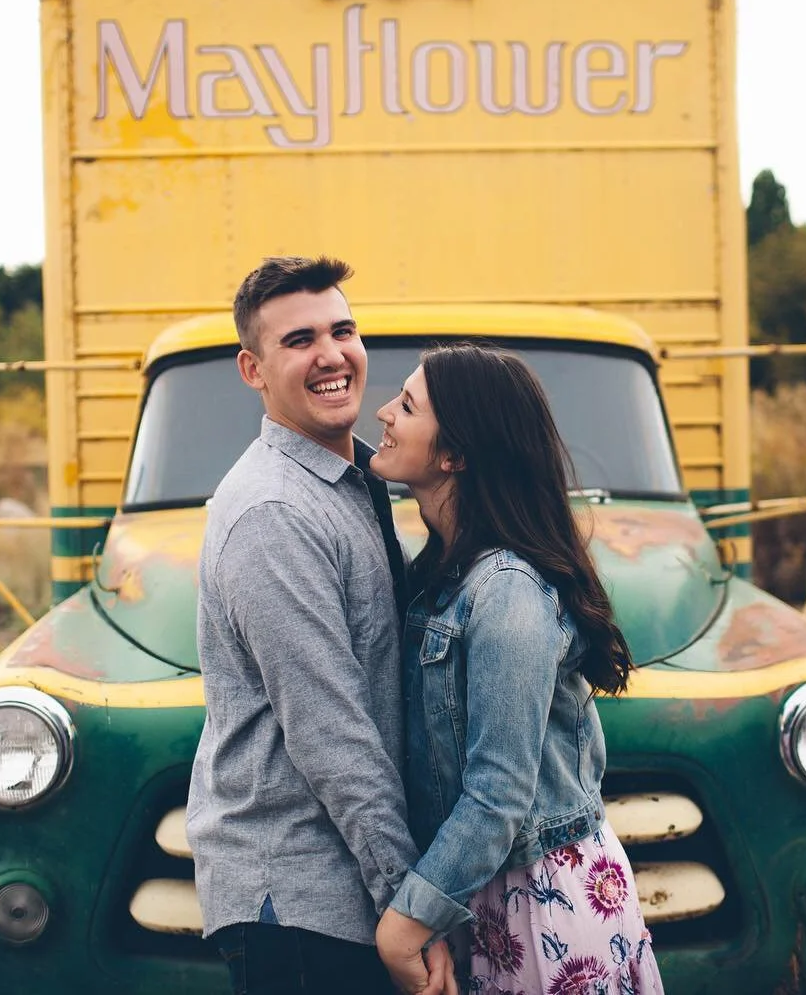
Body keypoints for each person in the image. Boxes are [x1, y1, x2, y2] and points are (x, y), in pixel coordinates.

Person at [184, 256, 455, 995]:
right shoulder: (274, 513)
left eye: (343, 330)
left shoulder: (359, 479)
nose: (332, 355)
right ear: (252, 368)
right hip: (302, 901)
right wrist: (411, 905)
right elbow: (330, 733)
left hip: (344, 891)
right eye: (300, 340)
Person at [370, 342, 664, 995]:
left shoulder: (505, 588)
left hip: (541, 905)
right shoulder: (440, 574)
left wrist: (404, 923)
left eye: (408, 404)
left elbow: (499, 794)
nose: (385, 412)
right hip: (476, 894)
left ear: (454, 455)